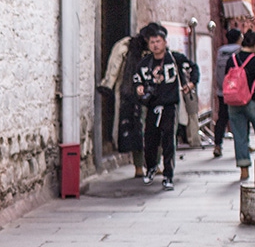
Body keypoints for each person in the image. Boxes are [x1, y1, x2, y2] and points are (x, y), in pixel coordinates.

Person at [133, 22, 198, 191]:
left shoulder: (174, 59)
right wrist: (139, 88)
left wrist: (191, 83)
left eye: (158, 41)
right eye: (152, 42)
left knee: (169, 140)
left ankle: (168, 175)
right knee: (150, 139)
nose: (155, 45)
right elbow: (136, 78)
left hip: (170, 106)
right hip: (152, 106)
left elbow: (193, 67)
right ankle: (151, 167)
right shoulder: (145, 64)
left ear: (165, 42)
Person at [99, 29, 150, 176]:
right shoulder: (126, 47)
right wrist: (108, 84)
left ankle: (153, 164)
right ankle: (139, 166)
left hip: (153, 96)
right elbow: (114, 66)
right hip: (131, 95)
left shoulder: (158, 51)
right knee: (137, 131)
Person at [226, 30, 255, 181]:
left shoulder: (232, 59)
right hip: (252, 101)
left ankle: (243, 169)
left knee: (240, 135)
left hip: (234, 103)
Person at [211, 29, 243, 158]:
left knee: (222, 118)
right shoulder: (239, 51)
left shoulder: (220, 51)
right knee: (239, 118)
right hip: (237, 92)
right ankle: (241, 145)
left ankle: (217, 145)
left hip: (222, 90)